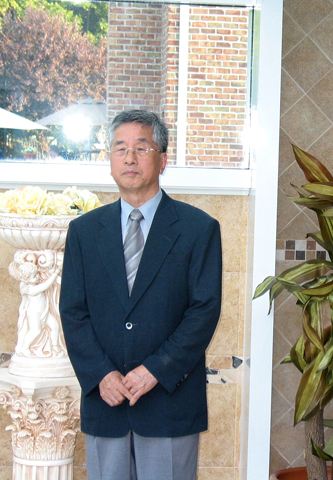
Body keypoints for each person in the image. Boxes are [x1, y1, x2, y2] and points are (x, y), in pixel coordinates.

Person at [60, 110, 222, 480]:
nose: (130, 158)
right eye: (120, 149)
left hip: (169, 401)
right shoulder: (84, 232)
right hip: (107, 401)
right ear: (110, 161)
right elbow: (73, 312)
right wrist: (101, 375)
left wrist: (156, 370)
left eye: (141, 148)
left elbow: (204, 311)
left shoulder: (198, 229)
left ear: (162, 160)